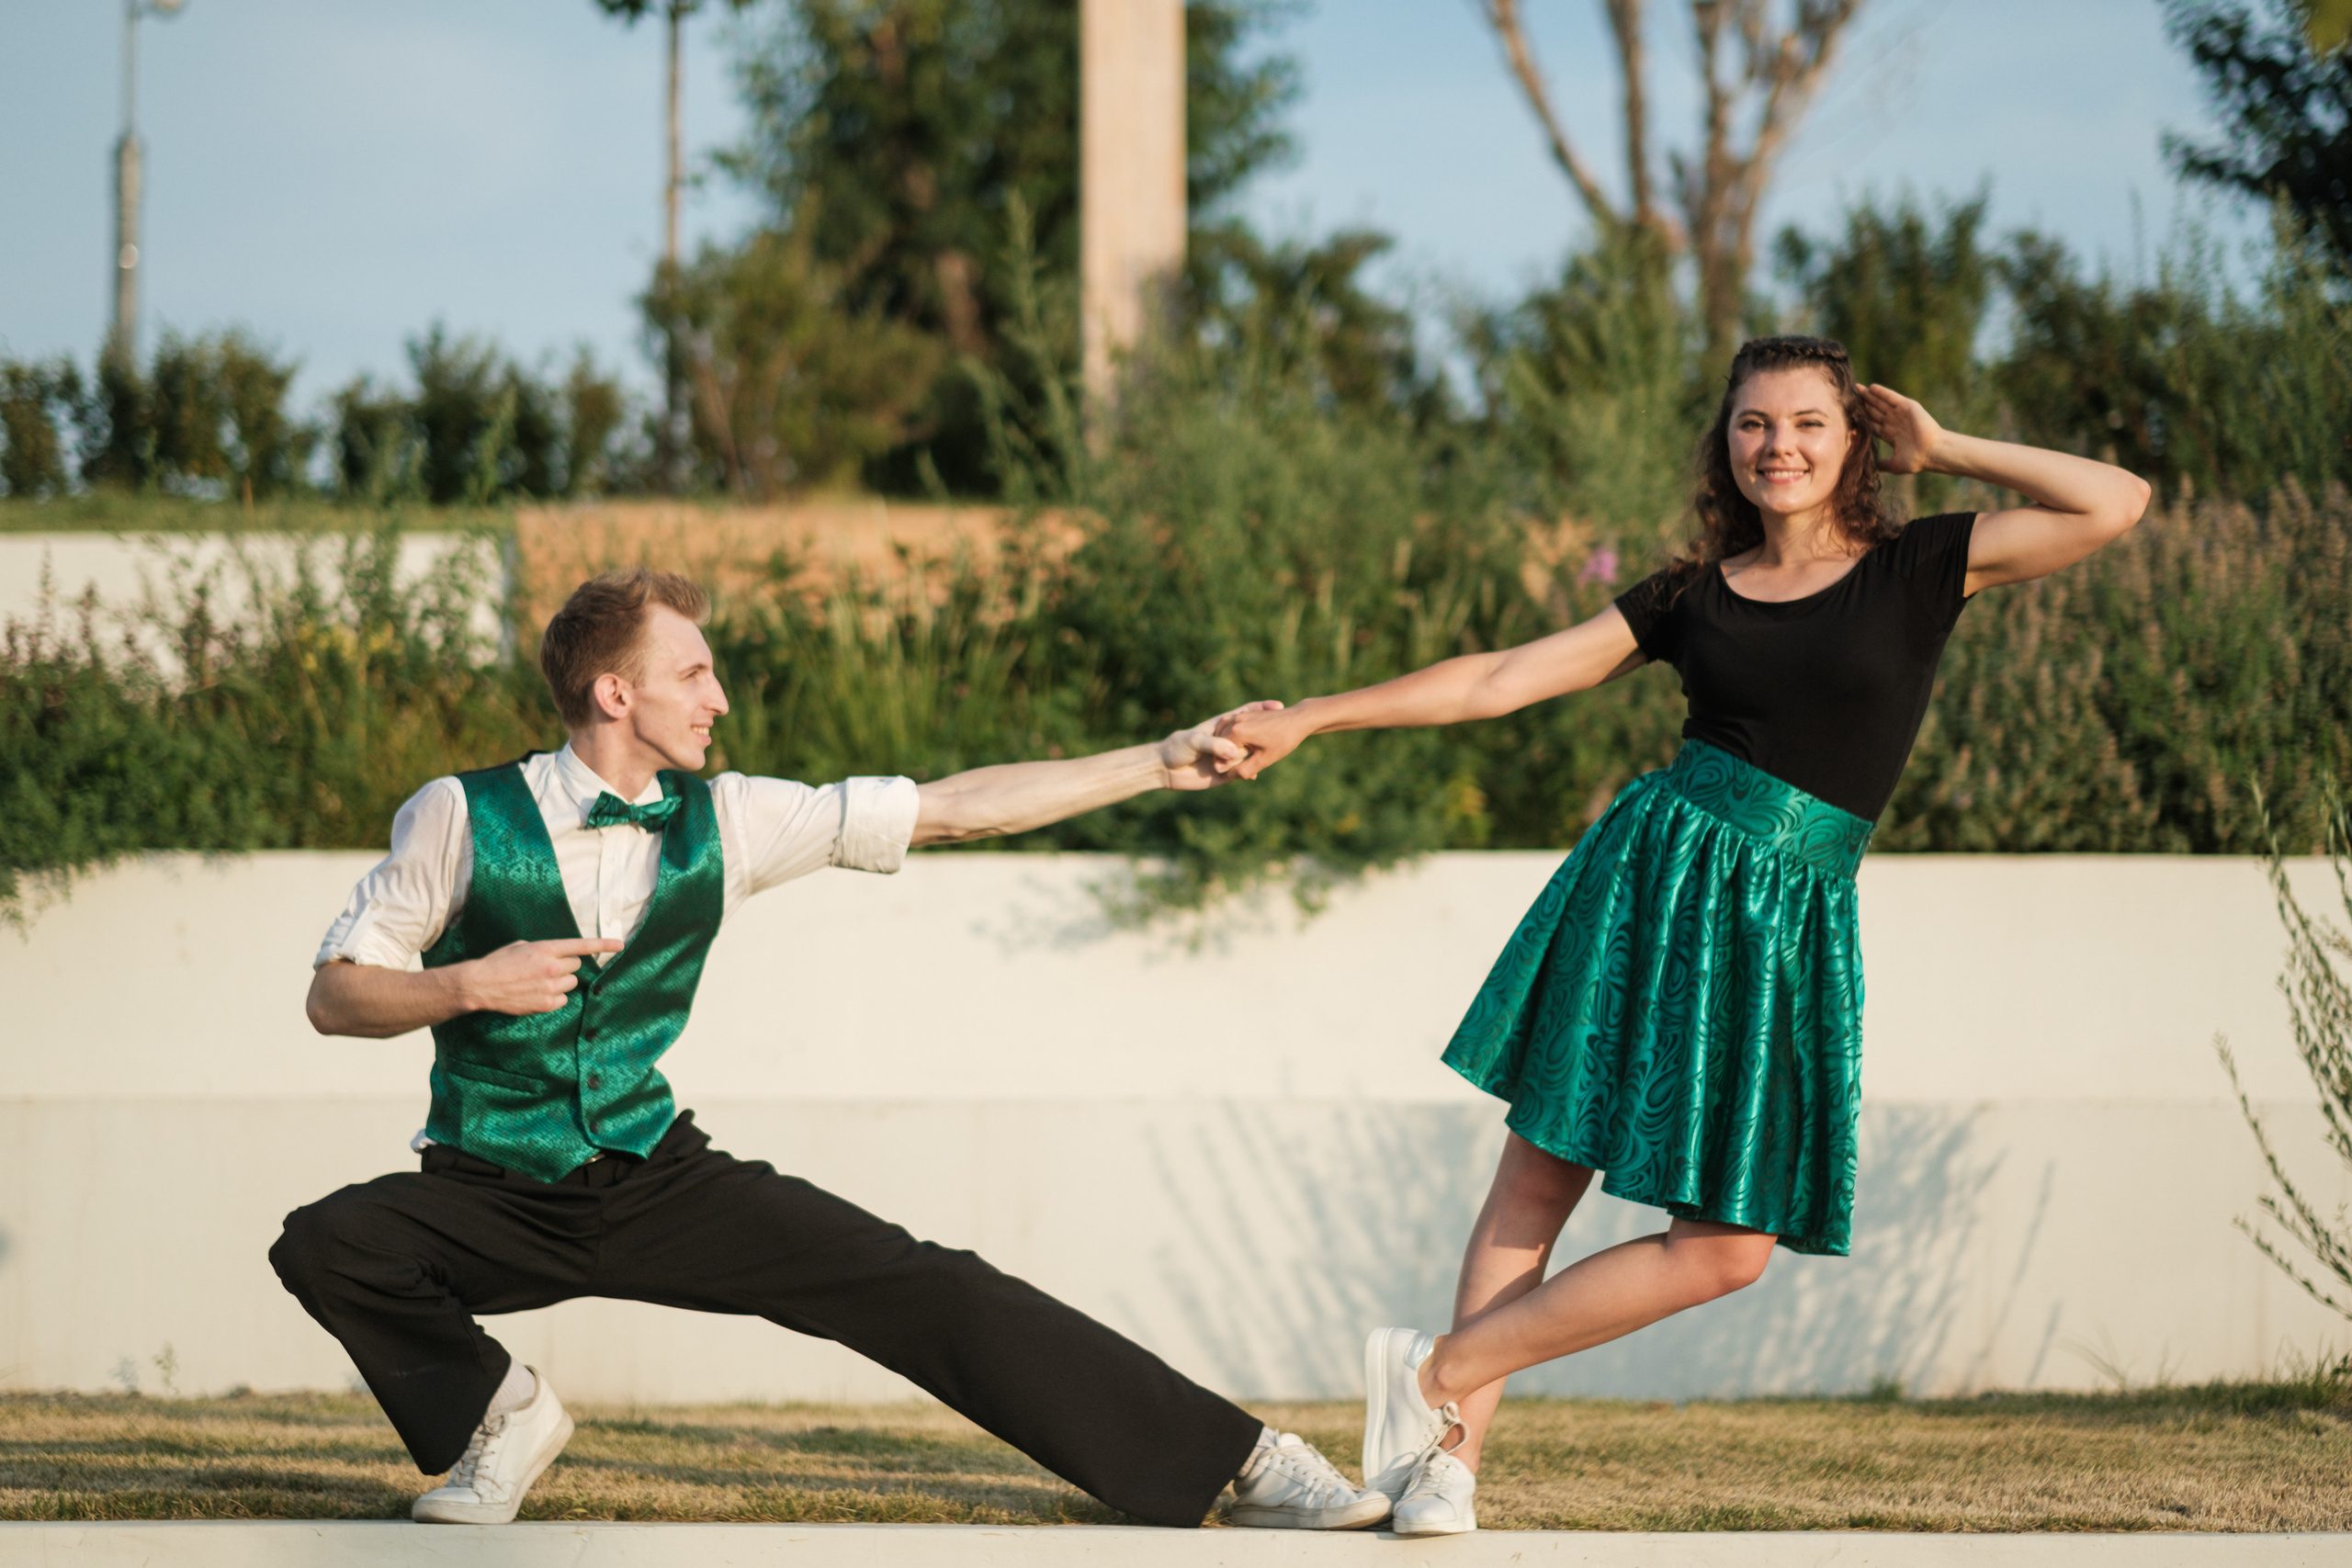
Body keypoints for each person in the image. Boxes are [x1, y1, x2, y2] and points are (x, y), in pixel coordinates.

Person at [1217, 335, 2153, 1537]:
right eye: (1755, 423)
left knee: (1727, 1246)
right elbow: (1500, 676)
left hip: (1789, 918)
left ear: (1856, 439)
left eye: (1811, 423)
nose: (1780, 446)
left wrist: (1951, 448)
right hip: (1659, 879)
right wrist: (1315, 717)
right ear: (1726, 442)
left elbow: (2116, 501)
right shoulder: (1688, 595)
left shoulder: (1923, 562)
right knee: (1542, 1171)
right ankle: (1447, 1459)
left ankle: (1433, 1370)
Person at [271, 567, 1391, 1532]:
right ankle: (498, 1418)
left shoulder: (737, 818)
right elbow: (335, 997)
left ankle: (1238, 1461)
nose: (719, 697)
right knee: (329, 1244)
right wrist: (468, 983)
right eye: (694, 674)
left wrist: (1154, 761)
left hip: (658, 1176)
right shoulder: (457, 815)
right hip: (489, 1184)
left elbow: (951, 808)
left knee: (928, 1286)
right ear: (617, 692)